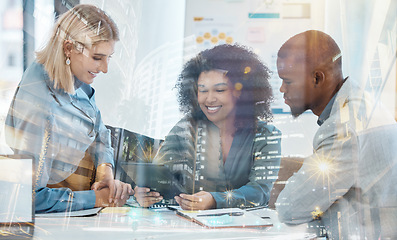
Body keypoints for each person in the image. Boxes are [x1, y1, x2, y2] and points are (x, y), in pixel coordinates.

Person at [5, 4, 133, 213]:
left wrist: (105, 171)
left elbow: (99, 130)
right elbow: (28, 197)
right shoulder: (40, 108)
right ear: (68, 48)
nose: (105, 69)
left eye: (109, 58)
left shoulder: (74, 80)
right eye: (97, 58)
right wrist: (97, 198)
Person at [275, 30, 397, 239]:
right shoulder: (359, 105)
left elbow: (290, 209)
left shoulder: (342, 126)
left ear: (317, 78)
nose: (281, 89)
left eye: (288, 81)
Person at [134, 44, 281, 210]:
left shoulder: (266, 135)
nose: (209, 99)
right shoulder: (185, 129)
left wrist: (214, 200)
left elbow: (260, 192)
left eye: (219, 90)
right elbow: (160, 177)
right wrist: (147, 193)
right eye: (202, 90)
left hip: (245, 231)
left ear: (240, 91)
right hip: (190, 228)